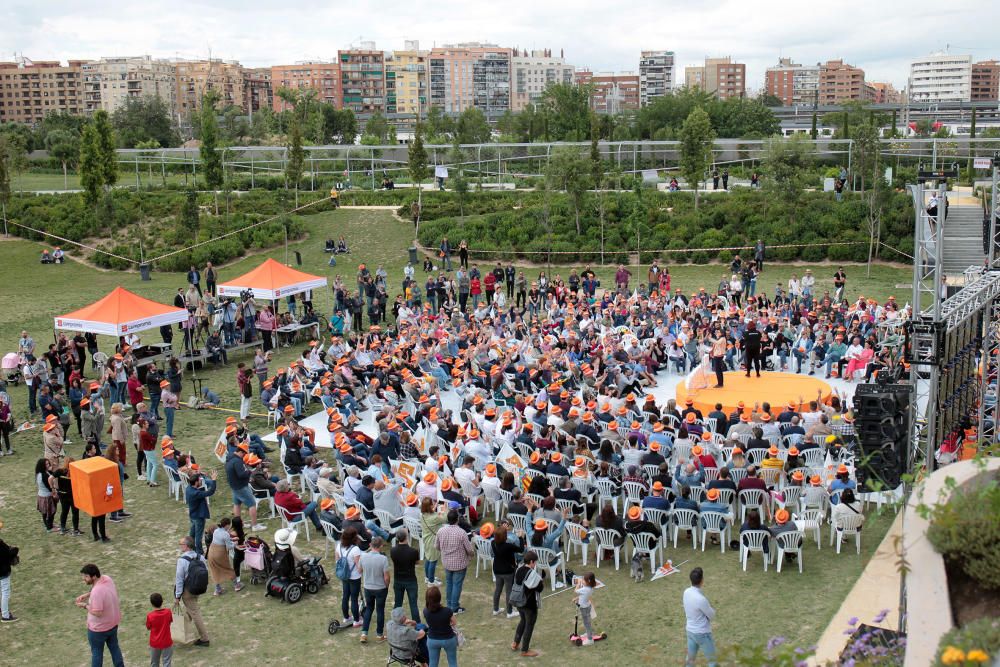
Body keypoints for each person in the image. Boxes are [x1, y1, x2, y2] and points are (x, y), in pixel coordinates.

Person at [76, 563, 125, 667]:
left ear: (94, 576)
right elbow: (98, 589)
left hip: (98, 630)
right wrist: (87, 594)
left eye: (86, 576)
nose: (83, 578)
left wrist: (85, 606)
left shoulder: (97, 592)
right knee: (115, 648)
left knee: (97, 654)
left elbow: (98, 612)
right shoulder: (107, 579)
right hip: (112, 625)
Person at [174, 535, 211, 647]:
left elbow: (179, 579)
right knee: (191, 609)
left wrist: (177, 596)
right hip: (198, 588)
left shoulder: (182, 560)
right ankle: (183, 630)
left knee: (195, 613)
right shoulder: (200, 557)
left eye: (181, 544)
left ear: (186, 546)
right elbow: (205, 571)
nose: (180, 546)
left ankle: (205, 639)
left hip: (187, 590)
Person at [435, 509, 474, 614]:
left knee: (449, 583)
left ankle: (449, 604)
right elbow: (469, 549)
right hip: (459, 564)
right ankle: (454, 607)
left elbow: (437, 547)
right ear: (457, 519)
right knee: (456, 584)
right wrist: (471, 555)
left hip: (447, 562)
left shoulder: (441, 531)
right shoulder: (462, 533)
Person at [512, 550, 546, 658]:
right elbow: (539, 588)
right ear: (531, 561)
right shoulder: (531, 573)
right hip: (529, 604)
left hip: (518, 601)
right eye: (534, 562)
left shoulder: (519, 569)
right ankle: (525, 650)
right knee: (529, 625)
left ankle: (515, 643)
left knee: (522, 621)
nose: (535, 564)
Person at [683, 566, 717, 666]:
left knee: (690, 660)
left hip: (690, 631)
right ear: (702, 581)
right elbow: (711, 615)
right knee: (712, 661)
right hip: (702, 633)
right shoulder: (701, 599)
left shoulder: (686, 592)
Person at [360, 536, 391, 643]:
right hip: (380, 588)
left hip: (368, 587)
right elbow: (386, 577)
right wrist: (387, 586)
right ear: (381, 546)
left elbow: (359, 570)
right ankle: (379, 635)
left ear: (370, 545)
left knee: (369, 609)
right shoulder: (383, 559)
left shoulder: (363, 556)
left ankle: (364, 633)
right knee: (380, 610)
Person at [489, 523, 524, 618]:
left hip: (497, 570)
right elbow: (521, 549)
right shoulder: (508, 546)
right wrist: (520, 537)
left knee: (498, 589)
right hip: (508, 571)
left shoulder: (493, 543)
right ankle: (509, 612)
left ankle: (495, 609)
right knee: (509, 591)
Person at [336, 527, 364, 628]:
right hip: (354, 577)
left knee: (345, 596)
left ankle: (346, 617)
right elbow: (359, 568)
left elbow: (337, 562)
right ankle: (357, 620)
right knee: (354, 598)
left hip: (344, 576)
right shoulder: (355, 549)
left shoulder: (338, 546)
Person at [391, 528, 421, 622]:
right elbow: (417, 562)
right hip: (410, 580)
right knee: (413, 604)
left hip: (398, 580)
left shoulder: (393, 551)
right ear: (406, 537)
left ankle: (396, 622)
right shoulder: (413, 551)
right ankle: (417, 625)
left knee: (398, 603)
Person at [423, 585, 458, 667]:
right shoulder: (447, 611)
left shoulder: (425, 611)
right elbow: (454, 622)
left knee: (433, 663)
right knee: (452, 662)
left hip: (432, 640)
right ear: (439, 598)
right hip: (448, 639)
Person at [184, 469, 217, 554]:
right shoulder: (196, 493)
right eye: (199, 481)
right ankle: (199, 553)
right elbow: (210, 492)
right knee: (198, 537)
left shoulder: (188, 488)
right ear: (195, 483)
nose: (200, 482)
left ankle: (191, 549)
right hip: (198, 517)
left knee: (192, 534)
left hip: (192, 515)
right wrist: (213, 480)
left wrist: (199, 474)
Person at [208, 517, 242, 595]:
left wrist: (231, 539)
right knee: (226, 568)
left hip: (211, 551)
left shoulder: (216, 530)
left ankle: (217, 589)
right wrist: (235, 543)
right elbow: (229, 546)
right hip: (219, 553)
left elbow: (221, 539)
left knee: (214, 569)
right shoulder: (225, 534)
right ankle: (237, 585)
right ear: (226, 525)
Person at [146, 592, 173, 667]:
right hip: (167, 641)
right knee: (167, 662)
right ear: (162, 601)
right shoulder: (168, 612)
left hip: (155, 643)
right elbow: (170, 621)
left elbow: (148, 627)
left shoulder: (150, 616)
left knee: (154, 663)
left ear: (152, 604)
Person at [574, 571, 600, 646]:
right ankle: (588, 633)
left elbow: (575, 590)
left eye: (584, 581)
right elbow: (583, 596)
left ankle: (590, 639)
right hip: (587, 606)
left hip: (584, 608)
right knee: (586, 622)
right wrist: (577, 598)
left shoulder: (585, 589)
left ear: (588, 581)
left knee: (587, 623)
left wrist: (578, 583)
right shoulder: (590, 587)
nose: (582, 582)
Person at [0, 519, 19, 622]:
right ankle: (5, 616)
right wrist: (14, 550)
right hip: (2, 572)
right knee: (5, 592)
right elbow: (9, 553)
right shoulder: (1, 545)